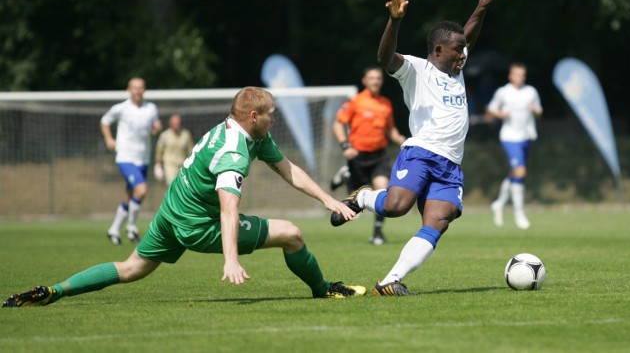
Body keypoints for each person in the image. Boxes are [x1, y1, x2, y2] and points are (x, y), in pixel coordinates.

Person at [3, 87, 366, 308]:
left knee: (131, 268)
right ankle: (323, 291)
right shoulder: (233, 153)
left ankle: (55, 290)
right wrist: (231, 259)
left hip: (171, 212)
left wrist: (326, 199)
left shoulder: (246, 132)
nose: (274, 119)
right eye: (271, 115)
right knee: (292, 233)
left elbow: (287, 168)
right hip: (197, 223)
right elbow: (228, 208)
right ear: (253, 116)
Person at [331, 0, 506, 296]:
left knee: (439, 221)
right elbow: (385, 57)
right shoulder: (416, 68)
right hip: (422, 152)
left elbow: (468, 32)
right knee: (396, 207)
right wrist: (394, 20)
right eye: (457, 51)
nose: (463, 55)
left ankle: (389, 281)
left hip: (450, 164)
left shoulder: (457, 68)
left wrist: (484, 3)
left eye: (464, 50)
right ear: (439, 50)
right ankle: (364, 196)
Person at [332, 66, 406, 245]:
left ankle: (377, 234)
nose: (375, 81)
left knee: (382, 190)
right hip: (358, 156)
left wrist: (400, 139)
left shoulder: (386, 103)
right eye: (372, 78)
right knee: (358, 193)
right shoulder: (355, 102)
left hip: (379, 156)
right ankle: (346, 174)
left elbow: (390, 129)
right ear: (365, 81)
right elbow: (338, 124)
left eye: (378, 78)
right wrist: (345, 146)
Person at [100, 77, 162, 245]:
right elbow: (105, 121)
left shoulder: (151, 108)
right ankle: (132, 228)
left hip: (143, 158)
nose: (137, 91)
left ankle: (114, 229)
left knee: (131, 195)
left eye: (140, 88)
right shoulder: (121, 108)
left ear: (144, 89)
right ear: (129, 89)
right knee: (141, 190)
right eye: (134, 88)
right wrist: (109, 139)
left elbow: (156, 125)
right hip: (125, 157)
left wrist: (156, 129)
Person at [486, 62, 542, 229]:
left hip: (527, 136)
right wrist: (502, 114)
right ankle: (519, 212)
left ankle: (499, 203)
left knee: (516, 173)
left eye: (523, 75)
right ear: (511, 76)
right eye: (517, 74)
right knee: (520, 171)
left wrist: (535, 110)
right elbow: (491, 109)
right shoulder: (503, 92)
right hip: (510, 137)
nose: (520, 77)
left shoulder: (531, 91)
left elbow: (539, 112)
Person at [154, 114, 195, 186]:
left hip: (183, 166)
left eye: (178, 123)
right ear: (171, 123)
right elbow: (159, 152)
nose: (177, 125)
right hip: (170, 166)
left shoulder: (186, 135)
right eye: (175, 123)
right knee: (172, 186)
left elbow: (191, 151)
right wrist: (158, 166)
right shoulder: (164, 136)